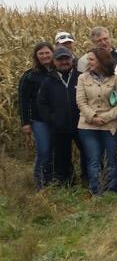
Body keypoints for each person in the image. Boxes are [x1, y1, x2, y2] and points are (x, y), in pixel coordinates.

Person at [76, 48, 117, 195]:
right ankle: (96, 191)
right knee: (93, 159)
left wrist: (105, 118)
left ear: (101, 60)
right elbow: (81, 102)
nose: (88, 62)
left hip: (110, 125)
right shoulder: (82, 78)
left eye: (91, 59)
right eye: (88, 59)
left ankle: (111, 191)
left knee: (110, 159)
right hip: (87, 125)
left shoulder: (115, 79)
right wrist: (93, 117)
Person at [37, 47, 82, 186]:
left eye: (66, 58)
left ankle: (88, 181)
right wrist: (52, 119)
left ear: (72, 59)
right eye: (60, 59)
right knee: (62, 158)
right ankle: (67, 184)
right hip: (59, 126)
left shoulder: (81, 77)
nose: (64, 62)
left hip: (81, 125)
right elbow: (42, 103)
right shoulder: (48, 81)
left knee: (88, 154)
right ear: (54, 62)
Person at [19, 43, 54, 188]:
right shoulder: (30, 76)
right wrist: (25, 122)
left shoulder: (58, 72)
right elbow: (23, 100)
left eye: (47, 53)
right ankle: (40, 183)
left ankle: (52, 181)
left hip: (57, 119)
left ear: (52, 53)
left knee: (55, 151)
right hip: (39, 120)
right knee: (44, 150)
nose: (45, 56)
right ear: (36, 56)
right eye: (41, 54)